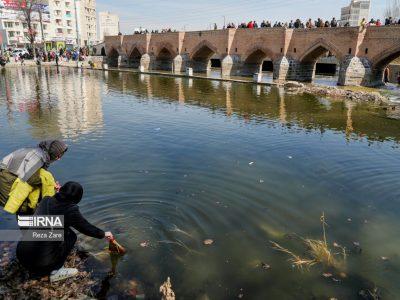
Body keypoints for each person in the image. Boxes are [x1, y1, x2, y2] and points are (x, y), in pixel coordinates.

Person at [16, 182, 114, 282]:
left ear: (61, 190)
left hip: (21, 254)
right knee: (71, 236)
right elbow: (86, 228)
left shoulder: (46, 200)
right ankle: (55, 271)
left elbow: (55, 205)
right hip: (40, 262)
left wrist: (58, 192)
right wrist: (103, 234)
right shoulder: (70, 210)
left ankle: (45, 261)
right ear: (77, 198)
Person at [0, 140, 67, 215]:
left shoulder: (36, 151)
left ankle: (26, 224)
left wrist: (52, 184)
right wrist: (51, 185)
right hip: (6, 179)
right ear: (53, 152)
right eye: (58, 156)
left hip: (7, 175)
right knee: (26, 208)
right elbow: (30, 179)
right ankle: (29, 224)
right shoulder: (39, 157)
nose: (59, 158)